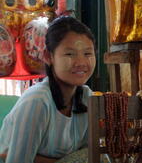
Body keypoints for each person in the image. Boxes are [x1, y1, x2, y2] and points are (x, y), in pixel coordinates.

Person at [0, 16, 96, 163]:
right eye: (69, 54)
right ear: (48, 56)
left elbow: (86, 155)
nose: (81, 62)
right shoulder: (37, 101)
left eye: (88, 53)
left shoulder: (86, 97)